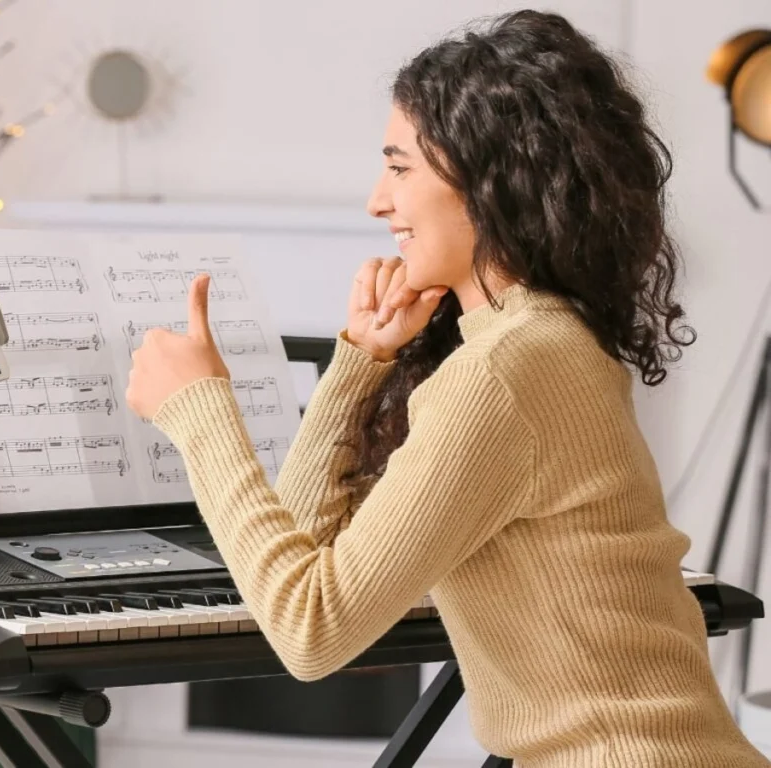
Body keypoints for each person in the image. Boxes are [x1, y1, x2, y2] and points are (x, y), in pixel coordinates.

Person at [125, 10, 770, 767]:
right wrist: (357, 365)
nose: (377, 201)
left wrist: (199, 411)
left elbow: (309, 631)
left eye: (400, 168)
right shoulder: (542, 338)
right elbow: (301, 551)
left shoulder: (505, 371)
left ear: (490, 178)